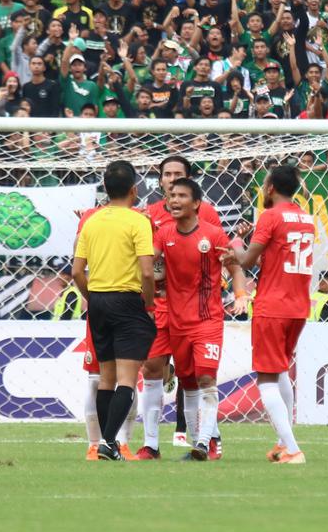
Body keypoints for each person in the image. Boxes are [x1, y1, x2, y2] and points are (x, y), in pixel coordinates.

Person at [154, 178, 247, 461]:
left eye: (182, 195)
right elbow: (153, 269)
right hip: (177, 321)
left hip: (207, 320)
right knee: (189, 383)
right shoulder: (163, 234)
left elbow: (235, 267)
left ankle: (204, 444)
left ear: (196, 204)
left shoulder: (214, 235)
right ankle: (203, 441)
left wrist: (241, 294)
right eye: (172, 195)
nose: (175, 200)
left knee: (206, 377)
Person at [137, 155, 222, 459]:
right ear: (159, 180)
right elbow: (147, 261)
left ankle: (209, 438)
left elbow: (217, 253)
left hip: (196, 312)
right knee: (151, 368)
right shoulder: (148, 216)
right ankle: (151, 444)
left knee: (197, 376)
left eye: (178, 175)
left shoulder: (207, 215)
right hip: (160, 307)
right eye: (167, 175)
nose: (172, 180)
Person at [72, 161, 158, 462]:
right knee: (127, 379)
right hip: (127, 301)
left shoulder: (91, 222)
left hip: (98, 302)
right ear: (134, 189)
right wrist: (148, 304)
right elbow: (147, 273)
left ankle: (101, 445)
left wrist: (91, 296)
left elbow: (76, 271)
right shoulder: (138, 222)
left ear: (105, 190)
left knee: (105, 377)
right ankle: (109, 442)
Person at [235, 165, 315, 465]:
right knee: (280, 370)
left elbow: (247, 260)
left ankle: (293, 449)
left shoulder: (269, 216)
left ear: (269, 188)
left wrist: (234, 246)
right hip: (298, 305)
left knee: (267, 377)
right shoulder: (305, 218)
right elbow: (272, 258)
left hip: (273, 305)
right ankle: (283, 442)